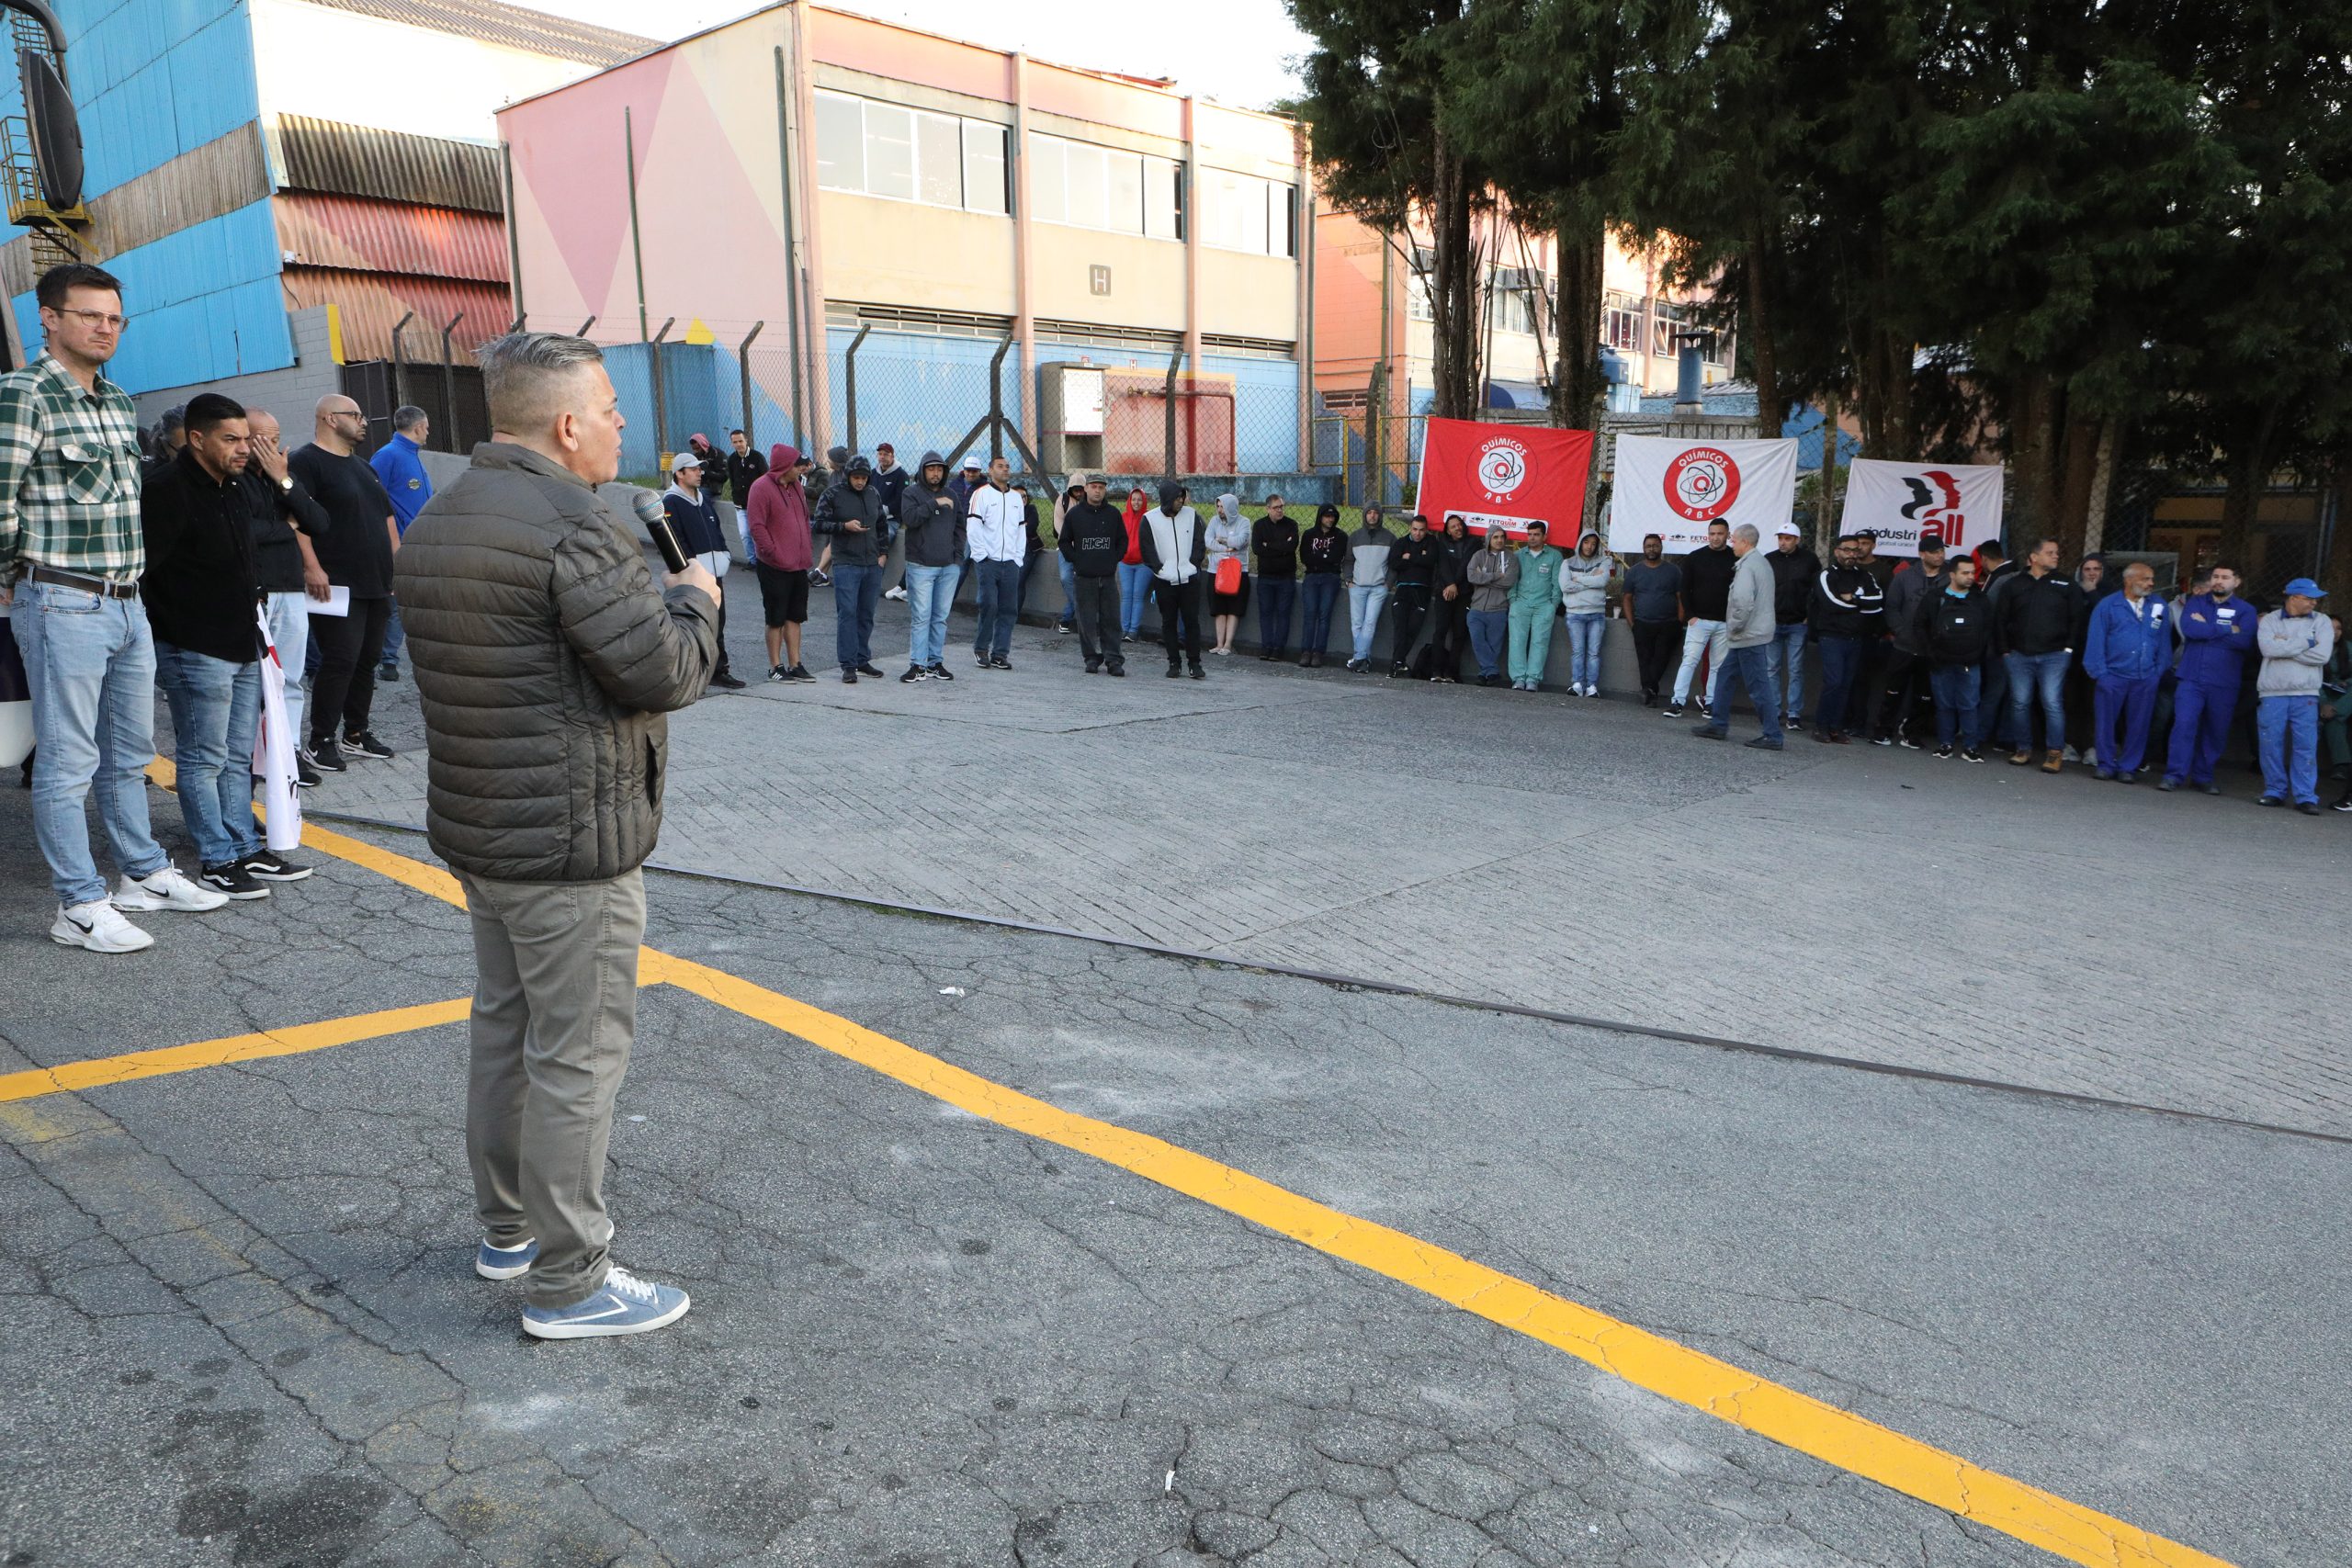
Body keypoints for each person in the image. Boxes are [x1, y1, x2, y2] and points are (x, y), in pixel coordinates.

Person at [394, 331, 718, 1339]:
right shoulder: (573, 528)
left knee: (506, 1031)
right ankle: (571, 1281)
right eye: (613, 406)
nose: (624, 423)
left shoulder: (446, 515)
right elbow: (662, 671)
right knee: (576, 1055)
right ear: (567, 423)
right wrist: (696, 603)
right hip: (571, 842)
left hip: (485, 830)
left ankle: (507, 1232)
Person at [4, 264, 230, 951]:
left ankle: (142, 872)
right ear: (49, 317)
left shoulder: (114, 400)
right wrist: (13, 571)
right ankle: (76, 904)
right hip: (63, 599)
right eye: (90, 315)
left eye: (115, 319)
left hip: (129, 605)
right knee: (68, 759)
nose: (105, 328)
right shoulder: (23, 394)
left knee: (128, 752)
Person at [142, 393, 308, 898]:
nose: (244, 449)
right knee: (203, 757)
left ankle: (243, 847)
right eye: (231, 439)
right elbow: (148, 571)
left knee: (237, 756)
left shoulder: (234, 487)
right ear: (197, 439)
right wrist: (176, 630)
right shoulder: (165, 490)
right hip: (194, 646)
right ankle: (216, 857)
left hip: (242, 642)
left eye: (245, 439)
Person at [290, 393, 400, 773]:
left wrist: (395, 565)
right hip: (334, 583)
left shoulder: (363, 467)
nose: (364, 421)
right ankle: (320, 741)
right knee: (340, 660)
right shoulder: (305, 462)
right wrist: (311, 567)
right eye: (356, 414)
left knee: (366, 662)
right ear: (330, 419)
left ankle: (357, 734)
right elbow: (296, 519)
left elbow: (386, 520)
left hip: (376, 582)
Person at [239, 407, 332, 786]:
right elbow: (244, 531)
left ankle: (288, 750)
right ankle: (248, 756)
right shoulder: (234, 479)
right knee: (252, 680)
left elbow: (318, 522)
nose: (271, 446)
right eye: (263, 439)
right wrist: (287, 525)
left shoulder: (283, 477)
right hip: (255, 591)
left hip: (290, 589)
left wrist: (283, 480)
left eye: (275, 439)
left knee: (290, 678)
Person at [2159, 562, 2256, 794]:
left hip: (2225, 681)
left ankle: (2203, 776)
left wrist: (2209, 628)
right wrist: (2228, 630)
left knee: (2216, 730)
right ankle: (2174, 775)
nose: (2219, 581)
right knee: (2183, 725)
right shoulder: (2196, 602)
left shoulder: (2246, 610)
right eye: (2215, 576)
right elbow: (2191, 631)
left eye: (2225, 577)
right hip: (2191, 678)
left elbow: (2244, 641)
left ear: (2237, 582)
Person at [1995, 538, 2085, 773]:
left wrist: (2068, 648)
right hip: (2017, 655)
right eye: (2050, 552)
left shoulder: (2065, 584)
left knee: (2052, 702)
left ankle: (2055, 752)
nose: (2056, 556)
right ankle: (2023, 749)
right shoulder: (2013, 585)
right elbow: (2001, 619)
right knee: (2020, 702)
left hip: (2055, 655)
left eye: (2056, 552)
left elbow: (2077, 618)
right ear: (2034, 557)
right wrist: (2005, 649)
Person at [1690, 523, 1782, 749]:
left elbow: (1742, 602)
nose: (1732, 545)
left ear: (1745, 542)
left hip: (1748, 635)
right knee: (1724, 676)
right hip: (1750, 634)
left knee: (1758, 686)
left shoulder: (1748, 566)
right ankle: (1718, 724)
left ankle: (1773, 735)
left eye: (1734, 541)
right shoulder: (1760, 563)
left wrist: (1735, 626)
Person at [662, 450, 744, 691]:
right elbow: (675, 538)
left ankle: (720, 670)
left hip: (714, 572)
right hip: (693, 576)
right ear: (679, 473)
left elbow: (716, 529)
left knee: (718, 620)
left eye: (700, 468)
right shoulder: (671, 502)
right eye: (694, 469)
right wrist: (689, 566)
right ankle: (695, 674)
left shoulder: (703, 499)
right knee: (697, 623)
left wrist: (724, 552)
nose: (700, 473)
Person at [2082, 560, 2170, 782]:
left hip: (2145, 676)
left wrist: (2158, 671)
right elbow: (2095, 640)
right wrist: (2100, 674)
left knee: (2139, 724)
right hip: (2113, 675)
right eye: (2145, 578)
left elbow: (2164, 641)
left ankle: (2128, 767)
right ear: (2129, 580)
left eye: (2151, 579)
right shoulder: (2108, 605)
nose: (2151, 583)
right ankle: (2106, 764)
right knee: (2105, 722)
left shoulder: (2158, 606)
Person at [2255, 579, 2334, 813]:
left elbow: (2322, 656)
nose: (2314, 602)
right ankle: (2274, 791)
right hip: (2272, 691)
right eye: (2309, 598)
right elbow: (2268, 649)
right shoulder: (2270, 619)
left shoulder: (2323, 621)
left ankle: (2305, 796)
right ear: (2292, 597)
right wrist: (2306, 643)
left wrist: (2285, 645)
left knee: (2306, 746)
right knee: (2271, 744)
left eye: (2315, 598)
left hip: (2306, 692)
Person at [812, 454, 891, 682]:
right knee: (847, 613)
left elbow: (882, 525)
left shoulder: (873, 493)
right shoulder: (833, 494)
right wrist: (843, 526)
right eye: (856, 477)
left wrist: (883, 553)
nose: (860, 482)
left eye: (864, 478)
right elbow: (818, 524)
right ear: (848, 476)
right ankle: (848, 665)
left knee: (866, 614)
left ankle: (862, 659)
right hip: (846, 563)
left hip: (872, 564)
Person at [368, 404, 430, 685]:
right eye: (426, 427)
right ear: (418, 427)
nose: (428, 431)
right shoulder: (389, 456)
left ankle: (393, 657)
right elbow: (371, 497)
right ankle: (386, 660)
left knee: (409, 603)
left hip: (416, 545)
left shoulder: (413, 457)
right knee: (393, 604)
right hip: (395, 545)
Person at [746, 442, 814, 682]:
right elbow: (756, 525)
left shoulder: (797, 487)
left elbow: (804, 519)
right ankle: (775, 666)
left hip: (798, 563)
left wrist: (805, 548)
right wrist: (772, 552)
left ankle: (796, 664)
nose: (801, 470)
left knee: (795, 616)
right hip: (774, 565)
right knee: (775, 617)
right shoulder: (761, 488)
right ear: (785, 466)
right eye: (797, 466)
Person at [891, 450, 961, 682]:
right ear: (923, 470)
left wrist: (957, 558)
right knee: (921, 616)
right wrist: (934, 503)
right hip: (921, 565)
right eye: (931, 469)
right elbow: (909, 520)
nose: (936, 473)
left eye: (939, 469)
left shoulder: (952, 494)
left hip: (948, 567)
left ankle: (935, 663)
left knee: (940, 617)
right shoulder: (911, 493)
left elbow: (960, 527)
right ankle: (917, 665)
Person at [1871, 536, 1947, 748]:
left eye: (1942, 551)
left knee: (1924, 696)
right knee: (1893, 691)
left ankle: (1912, 733)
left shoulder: (1949, 578)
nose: (1940, 555)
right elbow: (1892, 607)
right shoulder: (1904, 577)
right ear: (1922, 554)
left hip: (1931, 648)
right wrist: (1900, 631)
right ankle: (1883, 730)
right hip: (1904, 645)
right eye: (1934, 552)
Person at [1915, 552, 1992, 761]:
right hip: (1941, 661)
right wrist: (1931, 653)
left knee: (1969, 705)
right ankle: (1945, 744)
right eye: (1965, 573)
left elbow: (1988, 629)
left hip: (1970, 662)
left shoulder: (1980, 599)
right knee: (1944, 705)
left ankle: (1970, 747)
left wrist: (1978, 653)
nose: (1971, 577)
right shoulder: (1935, 597)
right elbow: (1920, 626)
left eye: (1973, 572)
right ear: (1952, 574)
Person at [1805, 535, 1882, 743]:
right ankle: (1820, 726)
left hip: (1856, 638)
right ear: (1837, 551)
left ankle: (1835, 727)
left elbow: (1877, 601)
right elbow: (1831, 604)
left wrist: (1855, 599)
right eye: (1847, 550)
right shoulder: (1826, 575)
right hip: (1831, 636)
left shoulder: (1865, 576)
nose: (1851, 555)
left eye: (1855, 550)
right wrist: (1860, 608)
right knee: (1834, 681)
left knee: (1847, 683)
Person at [1059, 473, 1127, 676]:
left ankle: (1113, 660)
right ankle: (1090, 657)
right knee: (1086, 620)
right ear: (1086, 489)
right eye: (1094, 487)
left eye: (1101, 487)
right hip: (1084, 577)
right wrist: (1077, 559)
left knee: (1112, 620)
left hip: (1107, 577)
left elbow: (1123, 541)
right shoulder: (1074, 515)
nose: (1097, 491)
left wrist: (1113, 558)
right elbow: (1064, 542)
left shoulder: (1113, 514)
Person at [1666, 520, 1735, 717]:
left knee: (1717, 666)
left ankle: (1710, 703)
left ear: (1727, 535)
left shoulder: (1735, 557)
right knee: (1689, 661)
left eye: (1720, 533)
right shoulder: (1695, 557)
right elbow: (1684, 589)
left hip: (1725, 622)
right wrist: (1690, 616)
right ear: (1708, 534)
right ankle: (1677, 702)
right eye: (1712, 533)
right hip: (1699, 621)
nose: (1715, 537)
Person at [1139, 480, 1206, 679]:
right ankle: (1173, 662)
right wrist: (1161, 570)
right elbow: (1147, 549)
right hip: (1165, 581)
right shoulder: (1149, 519)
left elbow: (1198, 543)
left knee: (1191, 622)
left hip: (1189, 580)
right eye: (1177, 498)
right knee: (1168, 622)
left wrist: (1193, 566)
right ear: (1167, 499)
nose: (1180, 501)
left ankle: (1195, 663)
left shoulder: (1191, 515)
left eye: (1182, 497)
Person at [965, 455, 1024, 671]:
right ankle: (981, 649)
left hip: (1010, 563)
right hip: (988, 562)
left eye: (1008, 466)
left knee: (1009, 609)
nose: (1005, 469)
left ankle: (1000, 654)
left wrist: (1017, 557)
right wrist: (981, 556)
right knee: (989, 605)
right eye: (1000, 466)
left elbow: (1020, 530)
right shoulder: (981, 494)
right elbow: (974, 527)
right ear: (990, 471)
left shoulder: (1016, 498)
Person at [1765, 522, 1818, 727]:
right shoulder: (1769, 559)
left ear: (1797, 540)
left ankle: (1794, 713)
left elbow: (1816, 590)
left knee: (1795, 669)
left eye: (1787, 539)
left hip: (1798, 622)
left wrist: (1809, 615)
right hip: (1774, 621)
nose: (1783, 542)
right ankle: (1774, 710)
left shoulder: (1809, 560)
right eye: (1780, 538)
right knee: (1771, 668)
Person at [1621, 534, 1682, 705]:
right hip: (1642, 623)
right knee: (1644, 660)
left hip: (1668, 624)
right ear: (1643, 549)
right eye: (1648, 546)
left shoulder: (1673, 571)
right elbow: (1627, 598)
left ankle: (1648, 690)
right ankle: (1650, 693)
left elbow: (1680, 597)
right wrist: (1632, 624)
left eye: (1655, 545)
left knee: (1661, 659)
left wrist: (1680, 621)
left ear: (1661, 547)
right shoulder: (1634, 572)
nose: (1652, 549)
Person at [1506, 520, 1564, 692]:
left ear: (1544, 536)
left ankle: (1533, 679)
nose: (1532, 538)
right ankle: (1518, 679)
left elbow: (1557, 584)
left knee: (1540, 642)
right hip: (1520, 603)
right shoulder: (1518, 555)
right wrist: (1513, 601)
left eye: (1536, 534)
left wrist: (1553, 605)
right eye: (1529, 534)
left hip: (1543, 605)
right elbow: (1512, 581)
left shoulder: (1554, 556)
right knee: (1517, 641)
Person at [1559, 529, 1613, 697]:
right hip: (1575, 614)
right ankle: (1577, 684)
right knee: (1578, 651)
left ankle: (1591, 687)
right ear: (1580, 542)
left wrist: (1579, 579)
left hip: (1596, 613)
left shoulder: (1603, 561)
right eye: (1586, 542)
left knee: (1593, 653)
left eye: (1593, 543)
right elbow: (1565, 586)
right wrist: (1591, 580)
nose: (1589, 546)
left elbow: (1603, 580)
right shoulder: (1567, 563)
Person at [1422, 514, 1474, 682]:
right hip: (1443, 592)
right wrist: (1449, 584)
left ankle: (1451, 673)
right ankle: (1436, 671)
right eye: (1453, 526)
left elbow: (1466, 565)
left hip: (1463, 594)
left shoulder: (1473, 543)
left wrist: (1455, 584)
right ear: (1448, 531)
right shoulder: (1441, 542)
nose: (1457, 528)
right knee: (1440, 631)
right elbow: (1443, 564)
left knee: (1460, 634)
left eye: (1459, 525)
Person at [1343, 505, 1394, 671]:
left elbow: (1394, 564)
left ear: (1380, 516)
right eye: (1369, 513)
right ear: (1365, 515)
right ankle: (1363, 660)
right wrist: (1349, 579)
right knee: (1356, 623)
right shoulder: (1355, 537)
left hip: (1379, 587)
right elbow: (1349, 560)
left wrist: (1388, 583)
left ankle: (1359, 658)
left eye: (1376, 513)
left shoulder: (1389, 537)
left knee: (1370, 622)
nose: (1372, 516)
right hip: (1357, 586)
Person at [1464, 525, 1516, 686]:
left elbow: (1509, 581)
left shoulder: (1511, 558)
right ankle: (1491, 671)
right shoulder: (1479, 555)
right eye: (1496, 537)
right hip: (1477, 608)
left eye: (1502, 537)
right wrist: (1495, 576)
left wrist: (1484, 578)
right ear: (1489, 538)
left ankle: (1484, 674)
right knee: (1477, 639)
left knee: (1494, 644)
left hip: (1498, 608)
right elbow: (1472, 576)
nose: (1499, 540)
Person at [1387, 514, 1437, 677]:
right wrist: (1419, 557)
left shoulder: (1432, 542)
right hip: (1402, 590)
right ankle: (1398, 663)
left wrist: (1409, 557)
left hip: (1421, 591)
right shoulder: (1401, 543)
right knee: (1400, 628)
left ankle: (1397, 662)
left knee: (1413, 629)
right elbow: (1394, 562)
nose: (1418, 533)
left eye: (1422, 530)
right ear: (1410, 528)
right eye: (1415, 529)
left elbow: (1430, 560)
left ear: (1426, 530)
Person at [1251, 493, 1300, 660]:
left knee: (1283, 613)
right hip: (1266, 577)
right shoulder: (1259, 526)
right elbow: (1257, 549)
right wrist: (1281, 547)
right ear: (1268, 509)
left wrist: (1269, 545)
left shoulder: (1291, 525)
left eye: (1281, 507)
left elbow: (1291, 546)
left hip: (1286, 577)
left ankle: (1278, 648)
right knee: (1265, 613)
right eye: (1276, 507)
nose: (1280, 510)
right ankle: (1266, 647)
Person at [1298, 503, 1347, 666]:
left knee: (1324, 614)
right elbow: (1305, 557)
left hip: (1331, 578)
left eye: (1332, 517)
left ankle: (1318, 652)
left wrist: (1320, 557)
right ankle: (1306, 651)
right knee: (1310, 614)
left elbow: (1336, 557)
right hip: (1312, 577)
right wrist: (1324, 557)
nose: (1330, 519)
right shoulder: (1309, 534)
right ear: (1320, 517)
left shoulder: (1340, 536)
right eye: (1327, 516)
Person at [1204, 492, 1251, 655]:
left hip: (1237, 571)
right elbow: (1208, 541)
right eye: (1218, 506)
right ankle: (1219, 643)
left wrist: (1223, 540)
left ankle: (1228, 644)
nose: (1220, 510)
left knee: (1234, 608)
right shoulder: (1214, 521)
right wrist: (1226, 548)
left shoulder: (1244, 522)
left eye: (1222, 506)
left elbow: (1241, 541)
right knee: (1219, 608)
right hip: (1217, 570)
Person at [807, 445, 846, 586]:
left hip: (844, 517)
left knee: (832, 543)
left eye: (831, 459)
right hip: (833, 515)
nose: (828, 462)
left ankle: (818, 571)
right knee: (828, 543)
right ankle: (822, 574)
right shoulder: (834, 474)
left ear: (837, 461)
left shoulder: (847, 474)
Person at [1117, 483, 1153, 641]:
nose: (1136, 502)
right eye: (1134, 499)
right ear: (1129, 501)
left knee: (1137, 596)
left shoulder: (1149, 518)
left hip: (1143, 564)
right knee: (1126, 595)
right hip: (1124, 562)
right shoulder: (1123, 517)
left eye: (1140, 500)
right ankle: (1123, 629)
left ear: (1144, 501)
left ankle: (1133, 631)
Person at [1051, 481, 1084, 634]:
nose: (1078, 493)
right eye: (1075, 490)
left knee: (1082, 582)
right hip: (1066, 546)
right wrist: (1069, 539)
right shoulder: (1063, 500)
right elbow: (1059, 523)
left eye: (1080, 490)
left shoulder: (1089, 500)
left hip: (1084, 547)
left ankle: (1065, 619)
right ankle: (1083, 610)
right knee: (1066, 578)